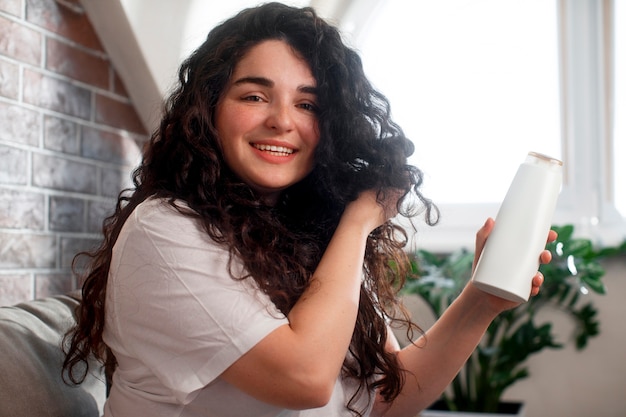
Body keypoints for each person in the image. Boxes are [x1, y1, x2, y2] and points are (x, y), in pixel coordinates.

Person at [63, 3, 555, 417]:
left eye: (308, 105)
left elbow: (389, 397)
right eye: (255, 96)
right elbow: (304, 378)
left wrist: (482, 299)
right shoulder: (166, 229)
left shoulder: (304, 237)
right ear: (208, 109)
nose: (281, 121)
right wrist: (361, 218)